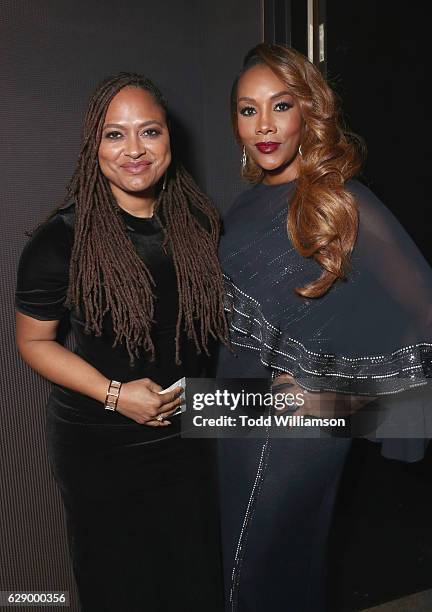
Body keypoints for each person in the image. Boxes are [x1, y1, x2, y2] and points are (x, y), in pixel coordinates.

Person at [216, 44, 432, 611]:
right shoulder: (241, 205)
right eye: (247, 109)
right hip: (229, 409)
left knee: (255, 578)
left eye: (280, 106)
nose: (263, 126)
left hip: (294, 425)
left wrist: (345, 396)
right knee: (268, 574)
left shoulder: (341, 202)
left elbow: (423, 307)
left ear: (308, 113)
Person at [15, 72, 227, 612]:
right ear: (95, 145)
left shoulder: (200, 220)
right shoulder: (61, 239)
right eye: (115, 135)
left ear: (168, 141)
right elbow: (34, 343)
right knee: (119, 586)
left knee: (192, 579)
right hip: (100, 442)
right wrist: (117, 394)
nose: (134, 150)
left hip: (186, 435)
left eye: (149, 132)